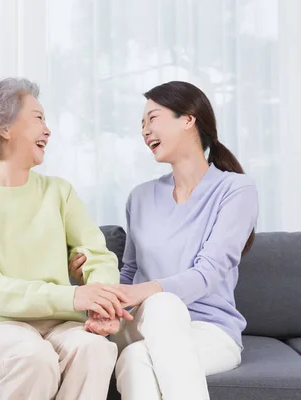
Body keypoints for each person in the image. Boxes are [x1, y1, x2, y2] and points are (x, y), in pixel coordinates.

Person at [0, 77, 133, 399]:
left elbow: (97, 255)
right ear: (4, 127)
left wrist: (101, 303)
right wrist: (73, 297)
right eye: (38, 118)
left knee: (95, 349)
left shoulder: (59, 192)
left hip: (61, 324)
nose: (48, 129)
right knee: (33, 357)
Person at [69, 81, 258, 400]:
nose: (145, 131)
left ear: (188, 119)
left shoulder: (235, 191)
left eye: (152, 118)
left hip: (209, 332)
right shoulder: (140, 197)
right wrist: (90, 281)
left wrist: (141, 291)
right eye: (141, 124)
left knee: (136, 358)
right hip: (139, 323)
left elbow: (207, 275)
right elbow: (129, 273)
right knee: (161, 305)